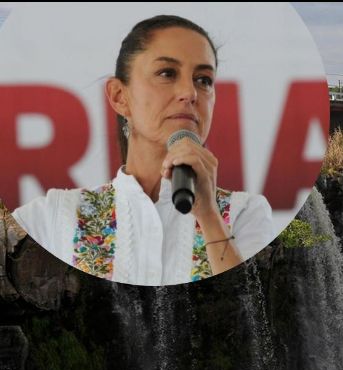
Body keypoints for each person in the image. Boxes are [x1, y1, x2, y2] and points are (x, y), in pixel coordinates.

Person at [12, 15, 273, 285]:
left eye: (204, 80)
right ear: (119, 97)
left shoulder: (245, 213)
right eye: (166, 73)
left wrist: (208, 216)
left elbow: (251, 313)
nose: (189, 92)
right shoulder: (54, 216)